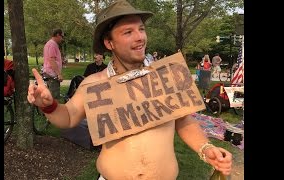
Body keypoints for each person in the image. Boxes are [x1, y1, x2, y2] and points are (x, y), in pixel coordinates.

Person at [27, 1, 232, 179]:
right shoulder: (94, 84)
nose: (140, 37)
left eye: (141, 29)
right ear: (109, 43)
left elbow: (184, 120)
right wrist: (49, 105)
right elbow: (69, 117)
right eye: (128, 32)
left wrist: (206, 148)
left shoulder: (165, 77)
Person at [42, 28, 65, 99]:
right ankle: (53, 110)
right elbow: (52, 60)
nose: (62, 39)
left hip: (49, 74)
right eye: (62, 36)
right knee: (53, 98)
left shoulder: (50, 44)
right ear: (58, 35)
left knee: (50, 98)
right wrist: (59, 74)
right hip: (52, 75)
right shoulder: (52, 45)